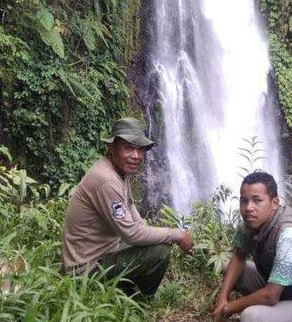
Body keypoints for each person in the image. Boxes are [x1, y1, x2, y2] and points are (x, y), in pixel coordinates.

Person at [61, 117, 194, 295]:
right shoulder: (107, 180)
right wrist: (176, 234)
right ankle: (139, 299)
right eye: (128, 148)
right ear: (111, 148)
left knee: (153, 242)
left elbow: (134, 218)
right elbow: (131, 234)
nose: (136, 156)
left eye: (140, 149)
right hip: (85, 272)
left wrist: (162, 234)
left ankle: (126, 289)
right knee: (160, 252)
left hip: (103, 252)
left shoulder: (120, 172)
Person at [212, 172, 292, 322]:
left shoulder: (290, 237)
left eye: (257, 200)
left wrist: (229, 308)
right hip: (286, 290)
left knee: (251, 317)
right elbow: (239, 257)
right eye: (244, 201)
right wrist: (222, 300)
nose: (249, 208)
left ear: (274, 203)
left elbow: (271, 296)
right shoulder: (250, 223)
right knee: (226, 265)